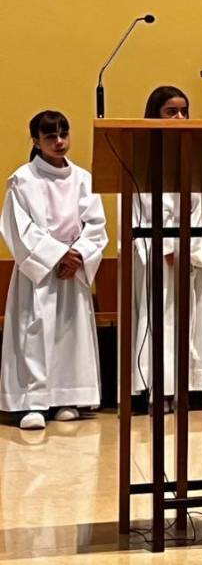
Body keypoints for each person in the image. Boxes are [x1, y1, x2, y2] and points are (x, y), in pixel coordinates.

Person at [1, 111, 109, 430]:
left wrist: (78, 254)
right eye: (50, 136)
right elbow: (18, 228)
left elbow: (96, 225)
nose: (59, 142)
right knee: (34, 331)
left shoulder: (84, 179)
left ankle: (66, 396)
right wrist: (58, 255)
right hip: (41, 271)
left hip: (72, 268)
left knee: (69, 332)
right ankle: (32, 402)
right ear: (36, 141)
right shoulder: (23, 179)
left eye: (63, 134)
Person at [131, 86, 202, 412]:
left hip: (185, 257)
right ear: (154, 115)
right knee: (157, 318)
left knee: (186, 319)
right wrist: (162, 249)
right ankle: (156, 390)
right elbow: (134, 215)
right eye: (170, 112)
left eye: (183, 111)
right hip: (153, 257)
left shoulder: (196, 157)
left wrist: (186, 250)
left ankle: (187, 388)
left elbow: (198, 210)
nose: (179, 117)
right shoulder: (138, 158)